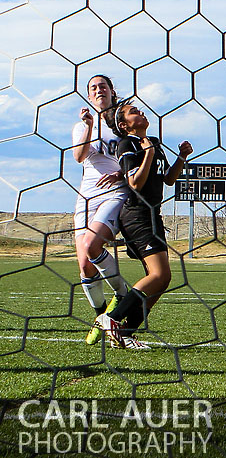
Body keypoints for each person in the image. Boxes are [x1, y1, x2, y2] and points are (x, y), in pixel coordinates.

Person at [95, 101, 192, 349]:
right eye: (133, 112)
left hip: (153, 215)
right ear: (123, 124)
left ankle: (126, 332)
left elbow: (169, 179)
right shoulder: (127, 144)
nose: (141, 112)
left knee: (162, 279)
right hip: (136, 216)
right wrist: (147, 153)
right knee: (158, 275)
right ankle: (111, 318)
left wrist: (181, 157)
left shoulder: (155, 143)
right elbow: (135, 183)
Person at [72, 75, 129, 345]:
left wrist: (121, 174)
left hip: (115, 193)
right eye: (93, 88)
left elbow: (136, 156)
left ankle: (121, 291)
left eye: (102, 86)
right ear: (89, 95)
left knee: (93, 245)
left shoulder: (122, 125)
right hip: (87, 197)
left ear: (111, 91)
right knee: (84, 264)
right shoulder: (83, 126)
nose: (98, 90)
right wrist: (88, 126)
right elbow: (79, 156)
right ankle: (101, 317)